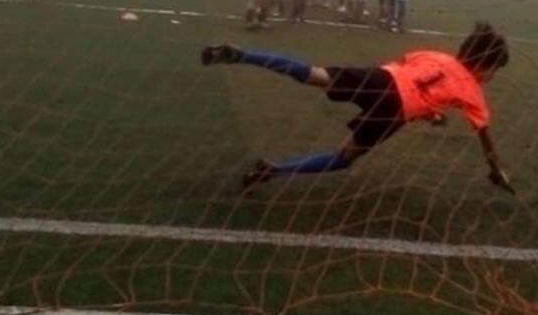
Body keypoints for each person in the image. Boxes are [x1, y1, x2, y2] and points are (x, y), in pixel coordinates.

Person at [201, 22, 513, 191]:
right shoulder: (472, 90)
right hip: (393, 110)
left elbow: (417, 79)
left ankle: (244, 55)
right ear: (485, 65)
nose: (491, 77)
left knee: (313, 74)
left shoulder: (434, 55)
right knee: (344, 157)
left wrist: (429, 111)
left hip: (380, 78)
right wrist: (496, 171)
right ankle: (273, 170)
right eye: (494, 70)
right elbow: (484, 135)